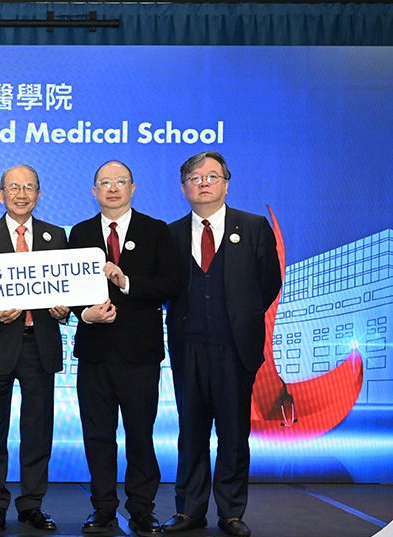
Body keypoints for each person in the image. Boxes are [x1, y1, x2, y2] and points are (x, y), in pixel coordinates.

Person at [162, 151, 281, 537]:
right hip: (188, 346)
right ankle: (189, 510)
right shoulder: (171, 234)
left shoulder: (254, 226)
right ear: (183, 188)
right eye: (195, 178)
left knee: (233, 433)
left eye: (212, 176)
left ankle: (231, 512)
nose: (204, 183)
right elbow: (165, 289)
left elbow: (269, 283)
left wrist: (240, 317)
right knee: (191, 432)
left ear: (226, 184)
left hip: (236, 348)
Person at [68, 161, 183, 536]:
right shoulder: (80, 233)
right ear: (94, 192)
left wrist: (127, 282)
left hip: (140, 354)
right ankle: (102, 508)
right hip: (94, 352)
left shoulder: (155, 230)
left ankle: (142, 509)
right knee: (97, 435)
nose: (113, 188)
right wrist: (84, 314)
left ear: (133, 188)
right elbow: (66, 289)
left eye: (120, 182)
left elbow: (171, 284)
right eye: (105, 182)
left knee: (140, 435)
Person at [0, 165, 69, 532]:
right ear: (0, 194)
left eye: (29, 187)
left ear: (39, 194)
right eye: (14, 187)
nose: (21, 194)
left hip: (40, 344)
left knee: (38, 429)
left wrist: (65, 309)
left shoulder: (57, 236)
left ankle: (32, 504)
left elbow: (67, 287)